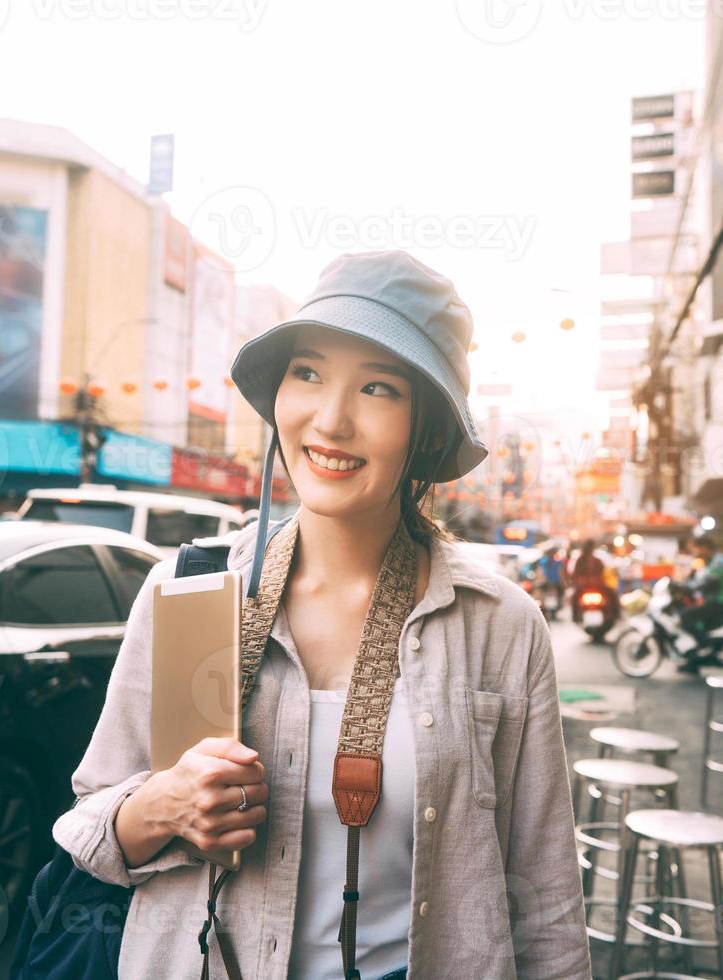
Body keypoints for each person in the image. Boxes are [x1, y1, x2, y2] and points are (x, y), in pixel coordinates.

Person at [51, 252, 590, 980]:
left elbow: (548, 894)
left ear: (425, 429)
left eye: (378, 388)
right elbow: (89, 826)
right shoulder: (187, 591)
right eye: (307, 372)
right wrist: (164, 806)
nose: (330, 420)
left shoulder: (500, 625)